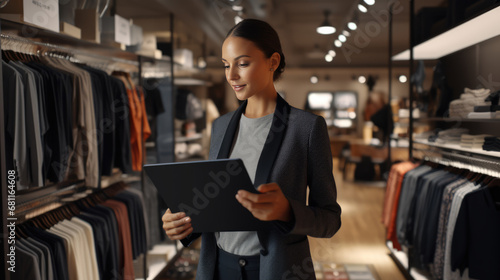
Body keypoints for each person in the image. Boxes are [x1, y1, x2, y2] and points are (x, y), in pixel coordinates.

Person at [162, 18, 341, 280]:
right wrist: (184, 223)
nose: (231, 75)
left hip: (276, 270)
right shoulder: (221, 126)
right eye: (226, 65)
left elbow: (330, 219)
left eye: (242, 64)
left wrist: (287, 212)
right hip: (219, 268)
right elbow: (217, 206)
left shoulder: (307, 128)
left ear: (273, 62)